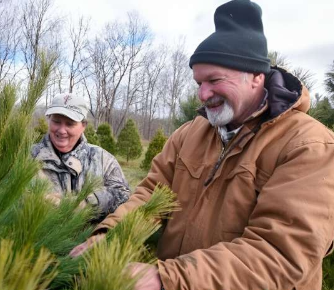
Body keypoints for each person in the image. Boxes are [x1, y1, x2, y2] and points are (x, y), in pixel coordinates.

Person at [69, 0, 334, 289]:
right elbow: (150, 196)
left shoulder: (308, 145)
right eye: (198, 82)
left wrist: (166, 278)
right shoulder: (190, 134)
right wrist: (109, 236)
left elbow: (281, 254)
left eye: (214, 80)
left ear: (256, 77)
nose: (203, 94)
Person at [31, 92, 130, 220]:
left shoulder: (102, 159)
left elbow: (123, 195)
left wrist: (84, 204)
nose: (61, 130)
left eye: (70, 124)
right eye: (56, 121)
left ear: (83, 125)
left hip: (91, 239)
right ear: (49, 119)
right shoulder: (28, 157)